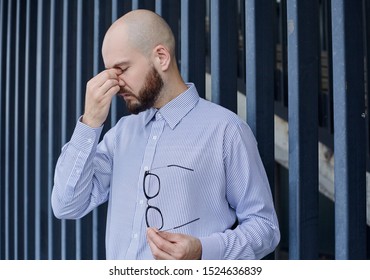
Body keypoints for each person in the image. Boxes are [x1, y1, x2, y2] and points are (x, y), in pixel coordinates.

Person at [51, 9, 280, 260]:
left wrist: (204, 251)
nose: (115, 84)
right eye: (110, 72)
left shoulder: (226, 131)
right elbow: (66, 205)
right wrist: (90, 124)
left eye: (122, 69)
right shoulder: (121, 135)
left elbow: (265, 228)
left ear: (161, 57)